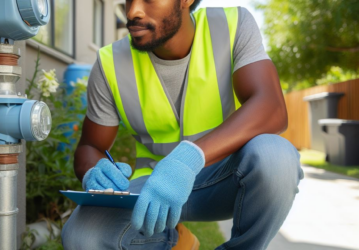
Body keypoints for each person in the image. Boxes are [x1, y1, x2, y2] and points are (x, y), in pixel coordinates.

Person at [62, 0, 304, 249]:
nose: (133, 11)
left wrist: (187, 160)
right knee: (81, 235)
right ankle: (175, 243)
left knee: (276, 156)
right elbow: (90, 146)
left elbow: (271, 106)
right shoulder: (110, 62)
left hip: (224, 179)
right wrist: (94, 171)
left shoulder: (232, 26)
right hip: (151, 187)